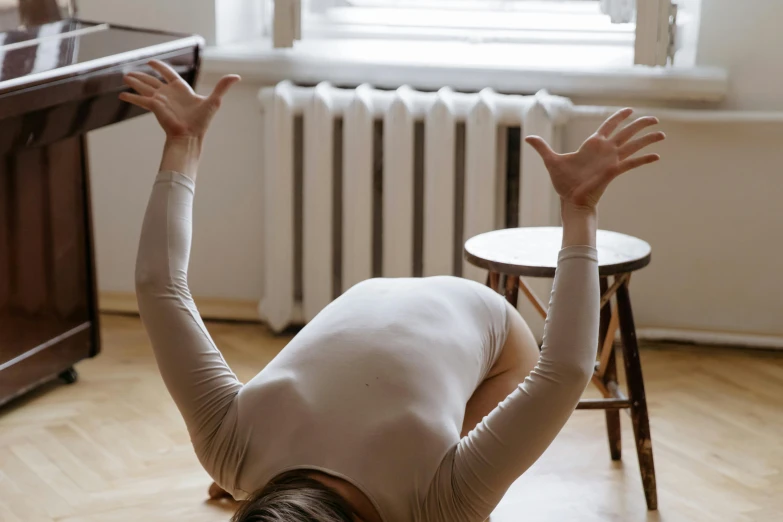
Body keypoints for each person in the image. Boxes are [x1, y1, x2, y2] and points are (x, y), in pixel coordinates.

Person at [121, 60, 664, 522]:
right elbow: (157, 285)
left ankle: (268, 482)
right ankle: (267, 482)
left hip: (493, 339)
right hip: (372, 304)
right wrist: (183, 143)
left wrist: (580, 211)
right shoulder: (226, 445)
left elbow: (561, 371)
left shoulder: (442, 500)